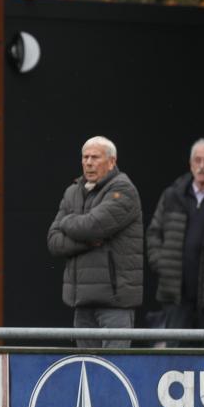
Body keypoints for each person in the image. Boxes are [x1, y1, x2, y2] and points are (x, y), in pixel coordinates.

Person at [47, 136, 143, 348]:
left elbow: (92, 227)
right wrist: (88, 242)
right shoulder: (72, 191)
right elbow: (53, 241)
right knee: (87, 365)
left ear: (112, 161)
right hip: (82, 303)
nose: (88, 162)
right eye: (85, 157)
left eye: (95, 157)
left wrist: (66, 221)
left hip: (114, 303)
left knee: (114, 367)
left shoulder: (123, 190)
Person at [147, 139, 204, 347]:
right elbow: (154, 233)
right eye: (197, 160)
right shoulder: (172, 195)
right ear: (190, 164)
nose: (201, 166)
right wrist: (162, 263)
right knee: (175, 356)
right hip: (177, 295)